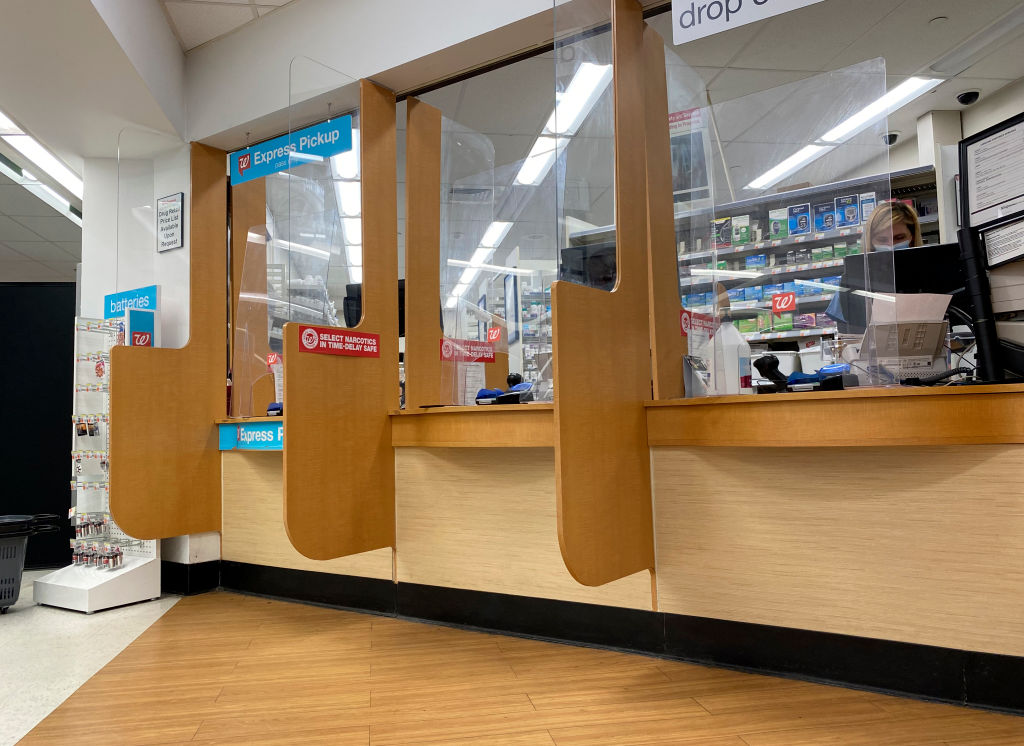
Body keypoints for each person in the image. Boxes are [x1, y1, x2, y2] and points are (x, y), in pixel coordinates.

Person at [825, 200, 922, 329]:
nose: (890, 246)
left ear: (912, 238)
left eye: (899, 238)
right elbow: (845, 333)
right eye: (882, 240)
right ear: (870, 242)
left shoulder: (926, 272)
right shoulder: (854, 278)